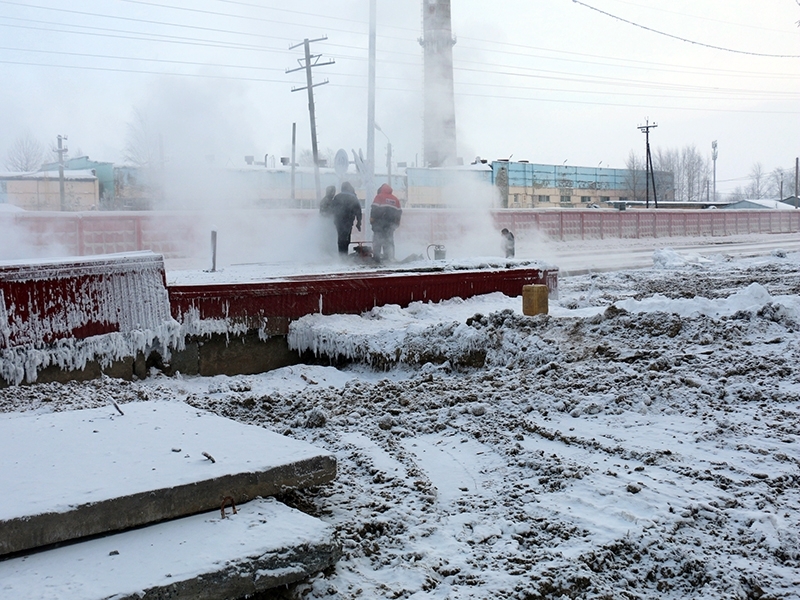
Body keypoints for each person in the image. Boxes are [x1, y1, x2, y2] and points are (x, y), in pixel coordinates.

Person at [370, 183, 403, 262]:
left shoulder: (379, 196)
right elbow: (399, 212)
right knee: (389, 240)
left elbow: (374, 209)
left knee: (377, 240)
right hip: (390, 225)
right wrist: (397, 223)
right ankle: (389, 257)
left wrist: (372, 220)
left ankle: (376, 258)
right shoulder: (395, 199)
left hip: (379, 224)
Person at [330, 181, 362, 255]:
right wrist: (359, 222)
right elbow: (358, 210)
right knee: (347, 236)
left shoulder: (337, 197)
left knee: (340, 237)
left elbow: (332, 209)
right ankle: (345, 254)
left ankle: (341, 254)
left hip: (338, 220)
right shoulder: (353, 197)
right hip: (349, 220)